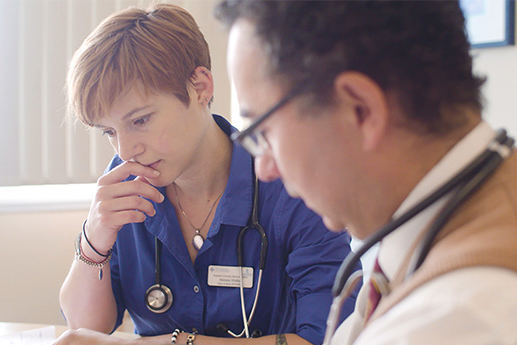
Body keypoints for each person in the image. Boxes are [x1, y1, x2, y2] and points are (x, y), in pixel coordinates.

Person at [216, 1, 517, 344]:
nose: (263, 168)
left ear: (360, 110)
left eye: (263, 132)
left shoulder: (454, 319)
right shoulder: (442, 217)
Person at [56, 4, 358, 345]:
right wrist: (94, 239)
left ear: (200, 87)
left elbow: (328, 339)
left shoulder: (291, 184)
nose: (125, 151)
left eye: (140, 121)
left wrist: (176, 343)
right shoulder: (125, 187)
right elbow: (84, 332)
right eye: (108, 132)